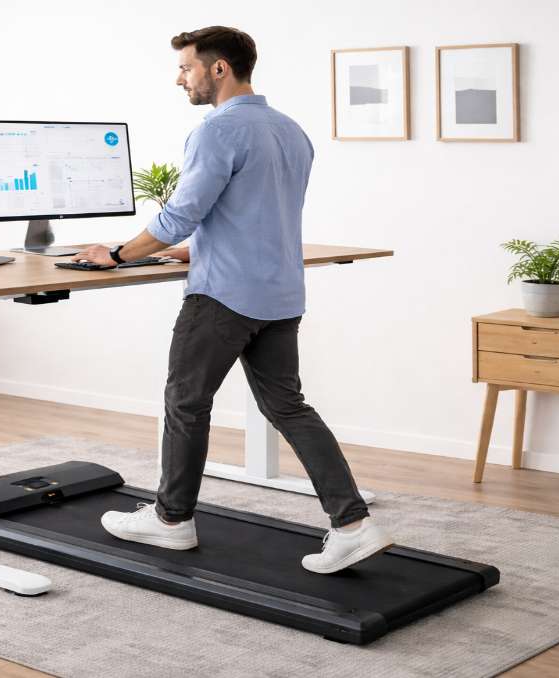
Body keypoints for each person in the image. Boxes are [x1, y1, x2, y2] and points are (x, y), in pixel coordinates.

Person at [72, 26, 394, 574]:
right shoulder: (290, 130)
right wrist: (194, 250)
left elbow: (182, 213)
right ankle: (353, 525)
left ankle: (171, 521)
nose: (180, 79)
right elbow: (256, 212)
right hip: (280, 291)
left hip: (224, 296)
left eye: (186, 68)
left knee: (186, 402)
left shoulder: (216, 131)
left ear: (218, 69)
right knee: (288, 406)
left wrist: (120, 253)